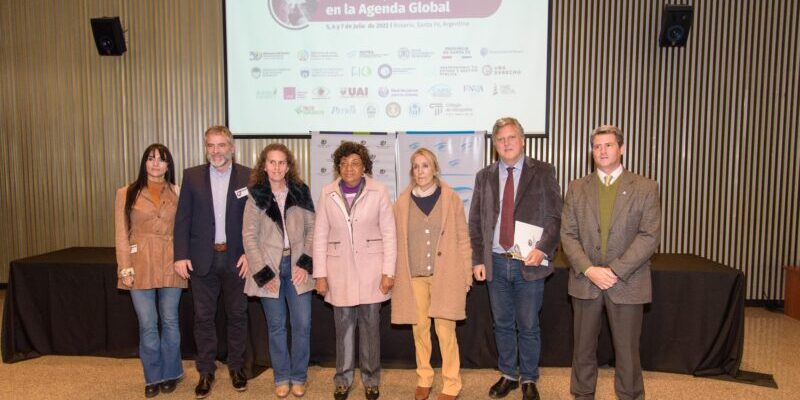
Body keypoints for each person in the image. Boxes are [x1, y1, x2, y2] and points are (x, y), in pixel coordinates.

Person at [561, 125, 661, 400]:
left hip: (628, 282)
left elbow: (649, 236)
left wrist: (615, 270)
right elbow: (567, 235)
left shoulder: (645, 187)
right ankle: (582, 395)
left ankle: (630, 395)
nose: (602, 151)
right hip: (586, 281)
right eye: (597, 146)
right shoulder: (577, 188)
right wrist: (589, 269)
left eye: (608, 145)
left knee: (627, 352)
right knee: (582, 349)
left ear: (622, 148)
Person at [468, 117, 563, 400]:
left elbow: (555, 218)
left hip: (529, 262)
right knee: (502, 323)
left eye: (511, 137)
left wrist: (543, 249)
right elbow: (476, 222)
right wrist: (477, 259)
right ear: (495, 145)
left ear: (522, 140)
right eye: (500, 139)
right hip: (495, 261)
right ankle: (509, 374)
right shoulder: (484, 176)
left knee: (528, 324)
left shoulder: (543, 172)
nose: (506, 143)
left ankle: (529, 377)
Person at [312, 141, 397, 400]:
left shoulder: (379, 191)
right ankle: (343, 379)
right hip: (339, 272)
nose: (349, 168)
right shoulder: (327, 193)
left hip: (373, 272)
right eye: (344, 163)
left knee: (371, 329)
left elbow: (389, 233)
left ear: (364, 167)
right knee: (344, 330)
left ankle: (371, 379)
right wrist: (320, 274)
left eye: (355, 163)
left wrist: (389, 272)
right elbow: (320, 235)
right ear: (338, 167)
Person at [173, 126, 251, 399]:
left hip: (237, 259)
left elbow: (256, 220)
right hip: (201, 259)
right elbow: (182, 219)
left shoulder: (249, 176)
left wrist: (251, 254)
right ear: (206, 148)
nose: (216, 151)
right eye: (211, 145)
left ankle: (237, 368)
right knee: (203, 318)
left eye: (221, 145)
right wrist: (180, 254)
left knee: (237, 316)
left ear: (231, 148)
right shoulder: (192, 176)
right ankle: (205, 371)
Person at [390, 148, 473, 400]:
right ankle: (424, 378)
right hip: (414, 277)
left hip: (445, 276)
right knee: (420, 330)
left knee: (445, 332)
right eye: (416, 166)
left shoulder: (451, 199)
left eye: (425, 165)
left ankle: (451, 383)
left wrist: (466, 274)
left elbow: (463, 238)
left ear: (435, 169)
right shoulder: (401, 203)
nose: (420, 171)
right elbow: (394, 242)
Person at [242, 144, 315, 398]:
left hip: (297, 267)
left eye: (281, 162)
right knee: (276, 327)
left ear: (288, 165)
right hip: (269, 268)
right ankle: (282, 377)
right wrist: (263, 274)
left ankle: (299, 377)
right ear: (264, 165)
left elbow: (313, 229)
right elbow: (249, 236)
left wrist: (304, 263)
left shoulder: (300, 191)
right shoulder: (256, 195)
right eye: (271, 162)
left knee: (302, 325)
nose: (276, 167)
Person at [114, 144, 186, 398]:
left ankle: (172, 373)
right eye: (151, 158)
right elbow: (121, 233)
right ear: (144, 162)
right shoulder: (126, 192)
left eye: (161, 159)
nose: (156, 164)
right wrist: (124, 267)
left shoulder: (178, 191)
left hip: (171, 261)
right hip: (139, 263)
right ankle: (153, 377)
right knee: (147, 323)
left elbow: (185, 229)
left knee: (170, 320)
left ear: (168, 165)